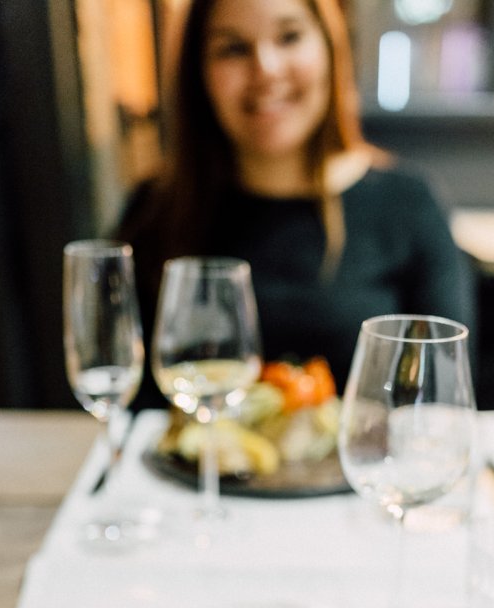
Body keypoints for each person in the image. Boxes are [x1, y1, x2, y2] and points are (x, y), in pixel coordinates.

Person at [117, 0, 475, 409]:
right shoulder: (154, 209)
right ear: (198, 73)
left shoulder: (408, 204)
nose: (266, 69)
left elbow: (442, 396)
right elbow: (132, 400)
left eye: (289, 37)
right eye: (233, 48)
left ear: (330, 49)